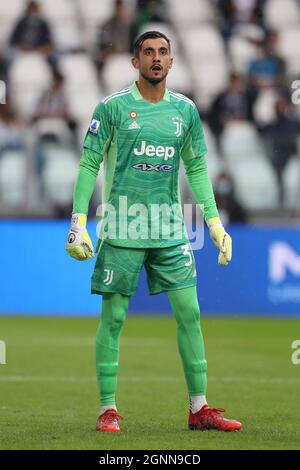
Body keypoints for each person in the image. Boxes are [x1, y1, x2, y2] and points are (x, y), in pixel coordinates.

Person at [66, 31, 242, 433]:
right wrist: (78, 222)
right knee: (113, 318)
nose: (156, 58)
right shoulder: (111, 108)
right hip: (121, 229)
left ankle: (200, 408)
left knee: (191, 314)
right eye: (148, 52)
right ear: (135, 62)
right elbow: (88, 164)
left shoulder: (186, 111)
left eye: (163, 52)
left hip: (170, 231)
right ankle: (107, 410)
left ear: (172, 61)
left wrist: (214, 223)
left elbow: (196, 168)